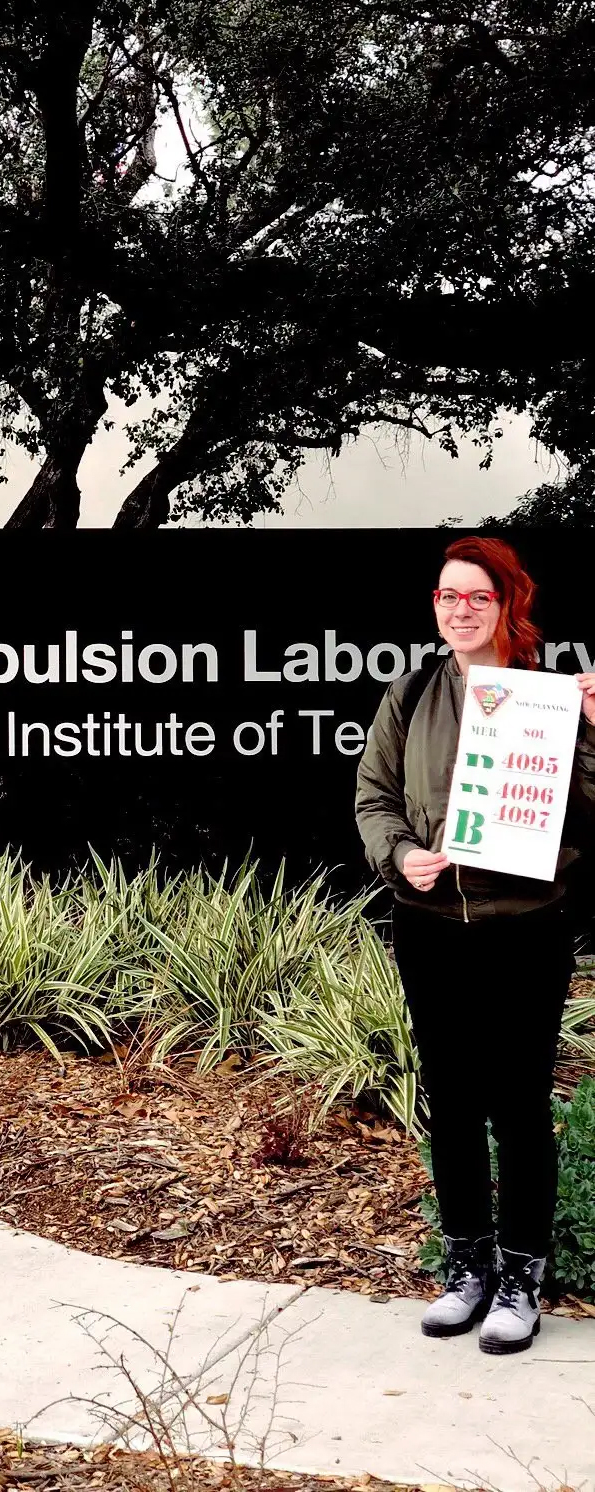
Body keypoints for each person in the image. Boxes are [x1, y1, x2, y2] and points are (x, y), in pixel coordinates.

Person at [355, 535, 595, 1354]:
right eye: (447, 595)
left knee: (519, 1103)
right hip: (430, 926)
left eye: (477, 597)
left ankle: (521, 1278)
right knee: (452, 1099)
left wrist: (593, 732)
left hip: (525, 925)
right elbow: (374, 796)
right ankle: (467, 1268)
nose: (460, 610)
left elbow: (586, 809)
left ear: (507, 605)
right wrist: (398, 854)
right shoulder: (410, 693)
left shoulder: (547, 698)